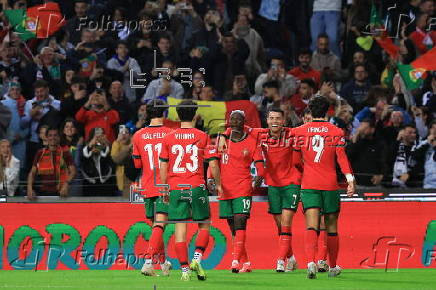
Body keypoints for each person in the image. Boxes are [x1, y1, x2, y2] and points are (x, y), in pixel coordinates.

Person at [292, 96, 355, 279]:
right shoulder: (336, 131)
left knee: (311, 226)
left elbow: (296, 161)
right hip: (329, 184)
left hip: (309, 184)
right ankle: (333, 266)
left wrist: (307, 170)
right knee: (332, 227)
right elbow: (342, 159)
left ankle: (311, 262)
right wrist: (350, 180)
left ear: (310, 111)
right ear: (328, 111)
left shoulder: (299, 132)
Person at [159, 100, 222, 281]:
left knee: (180, 228)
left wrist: (164, 188)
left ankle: (185, 270)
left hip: (176, 188)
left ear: (178, 116)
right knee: (204, 224)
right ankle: (196, 259)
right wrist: (218, 185)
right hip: (196, 186)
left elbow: (163, 167)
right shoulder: (202, 136)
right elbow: (213, 164)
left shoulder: (168, 137)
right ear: (195, 115)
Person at [215, 110, 265, 273]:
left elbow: (259, 165)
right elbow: (213, 162)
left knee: (240, 221)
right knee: (232, 226)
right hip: (225, 188)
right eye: (232, 119)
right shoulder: (222, 139)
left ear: (244, 122)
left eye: (238, 119)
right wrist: (210, 178)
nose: (234, 121)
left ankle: (235, 261)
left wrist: (259, 176)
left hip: (243, 187)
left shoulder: (252, 142)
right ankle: (246, 262)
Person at [132, 100, 173, 276]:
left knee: (157, 226)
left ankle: (163, 263)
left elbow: (136, 164)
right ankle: (148, 262)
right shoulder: (171, 134)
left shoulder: (138, 135)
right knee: (159, 225)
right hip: (165, 186)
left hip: (148, 185)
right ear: (164, 113)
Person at [27, 127, 76, 200]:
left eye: (55, 135)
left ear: (59, 137)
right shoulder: (40, 153)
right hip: (42, 192)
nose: (53, 138)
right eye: (50, 135)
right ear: (46, 137)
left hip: (61, 192)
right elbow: (32, 172)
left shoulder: (65, 152)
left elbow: (73, 171)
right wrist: (29, 188)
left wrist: (66, 184)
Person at [81, 127, 116, 196]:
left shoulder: (109, 147)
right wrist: (90, 146)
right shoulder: (85, 147)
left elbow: (110, 161)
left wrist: (102, 148)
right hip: (89, 184)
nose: (99, 137)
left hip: (106, 183)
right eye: (96, 135)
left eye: (101, 135)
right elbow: (84, 158)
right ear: (92, 137)